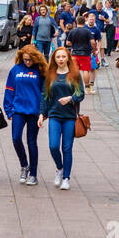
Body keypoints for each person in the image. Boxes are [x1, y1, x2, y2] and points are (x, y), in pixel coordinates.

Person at [39, 46, 85, 190]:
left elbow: (81, 94)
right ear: (54, 58)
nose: (60, 59)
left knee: (67, 148)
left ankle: (66, 178)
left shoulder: (75, 74)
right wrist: (41, 114)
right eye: (58, 57)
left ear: (68, 58)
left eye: (63, 57)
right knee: (53, 146)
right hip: (54, 115)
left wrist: (70, 98)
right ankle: (59, 168)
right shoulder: (50, 74)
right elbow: (45, 96)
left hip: (70, 117)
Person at [4, 45, 49, 185]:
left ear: (35, 58)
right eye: (25, 60)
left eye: (30, 60)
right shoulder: (15, 70)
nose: (27, 62)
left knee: (31, 142)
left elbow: (45, 93)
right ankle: (24, 165)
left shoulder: (40, 71)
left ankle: (33, 174)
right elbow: (9, 90)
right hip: (18, 110)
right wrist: (8, 109)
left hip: (34, 111)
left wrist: (43, 112)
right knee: (16, 138)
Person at [66, 13, 98, 96]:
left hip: (75, 53)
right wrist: (94, 50)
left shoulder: (73, 31)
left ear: (76, 22)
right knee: (85, 70)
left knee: (75, 71)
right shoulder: (87, 31)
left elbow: (68, 42)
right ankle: (87, 88)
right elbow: (93, 42)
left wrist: (74, 44)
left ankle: (74, 88)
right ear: (85, 22)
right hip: (85, 53)